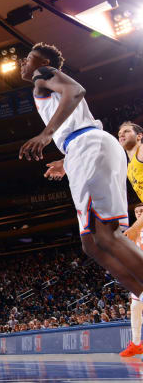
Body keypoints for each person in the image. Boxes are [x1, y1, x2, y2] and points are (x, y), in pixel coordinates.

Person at [20, 43, 143, 325]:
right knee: (92, 244)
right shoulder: (44, 85)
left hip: (88, 146)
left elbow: (76, 92)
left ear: (45, 60)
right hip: (81, 150)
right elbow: (76, 122)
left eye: (29, 58)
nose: (24, 63)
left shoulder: (44, 73)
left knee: (106, 234)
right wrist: (66, 160)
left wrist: (46, 134)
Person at [119, 203, 143, 356]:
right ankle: (136, 343)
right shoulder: (133, 231)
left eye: (142, 211)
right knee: (135, 308)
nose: (139, 213)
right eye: (136, 211)